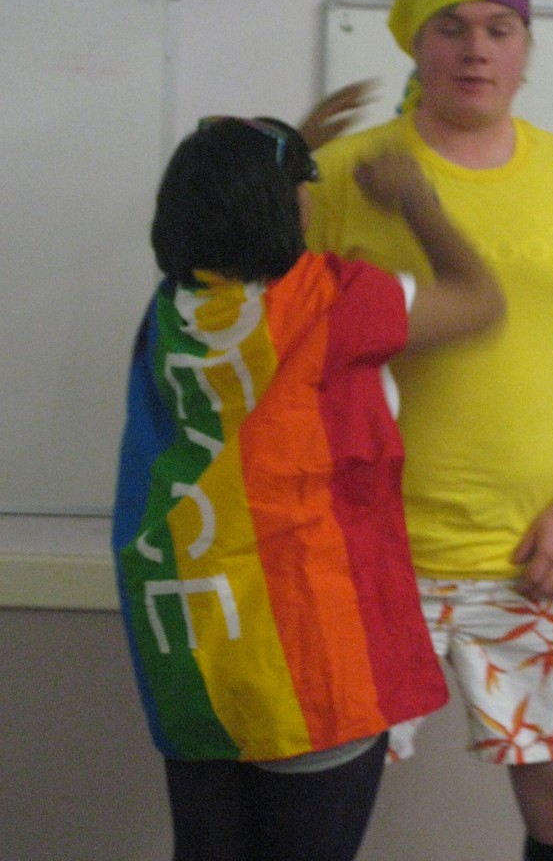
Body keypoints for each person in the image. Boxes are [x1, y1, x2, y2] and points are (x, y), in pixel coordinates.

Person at [305, 0, 553, 861]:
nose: (476, 48)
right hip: (368, 552)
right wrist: (281, 164)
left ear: (526, 50)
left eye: (501, 29)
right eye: (451, 27)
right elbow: (255, 328)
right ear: (416, 44)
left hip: (540, 550)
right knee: (319, 807)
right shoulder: (344, 173)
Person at [112, 108, 505, 861]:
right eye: (304, 191)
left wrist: (288, 147)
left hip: (194, 649)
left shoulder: (167, 314)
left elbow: (231, 218)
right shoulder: (335, 301)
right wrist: (416, 199)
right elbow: (479, 300)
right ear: (286, 205)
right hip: (310, 653)